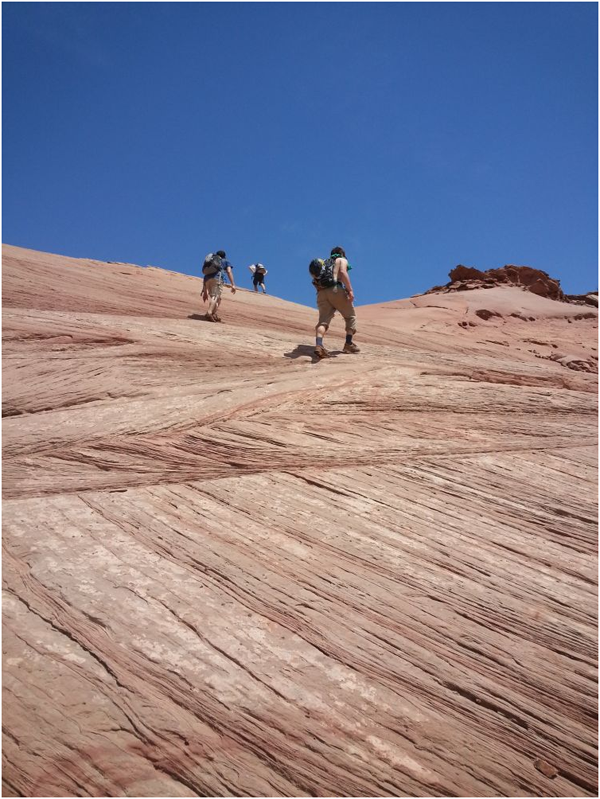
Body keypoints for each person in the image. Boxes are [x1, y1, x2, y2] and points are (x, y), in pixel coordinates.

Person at [313, 246, 359, 358]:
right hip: (335, 289)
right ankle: (348, 344)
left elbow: (315, 279)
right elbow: (343, 272)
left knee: (323, 322)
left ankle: (319, 345)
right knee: (350, 317)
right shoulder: (341, 259)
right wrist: (350, 290)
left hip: (321, 293)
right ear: (342, 253)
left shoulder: (324, 263)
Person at [202, 250, 236, 322]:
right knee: (215, 296)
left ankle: (213, 313)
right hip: (217, 279)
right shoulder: (225, 261)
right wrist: (233, 284)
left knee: (218, 299)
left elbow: (206, 274)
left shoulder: (211, 260)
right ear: (224, 256)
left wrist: (205, 291)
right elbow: (229, 271)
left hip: (206, 280)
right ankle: (209, 312)